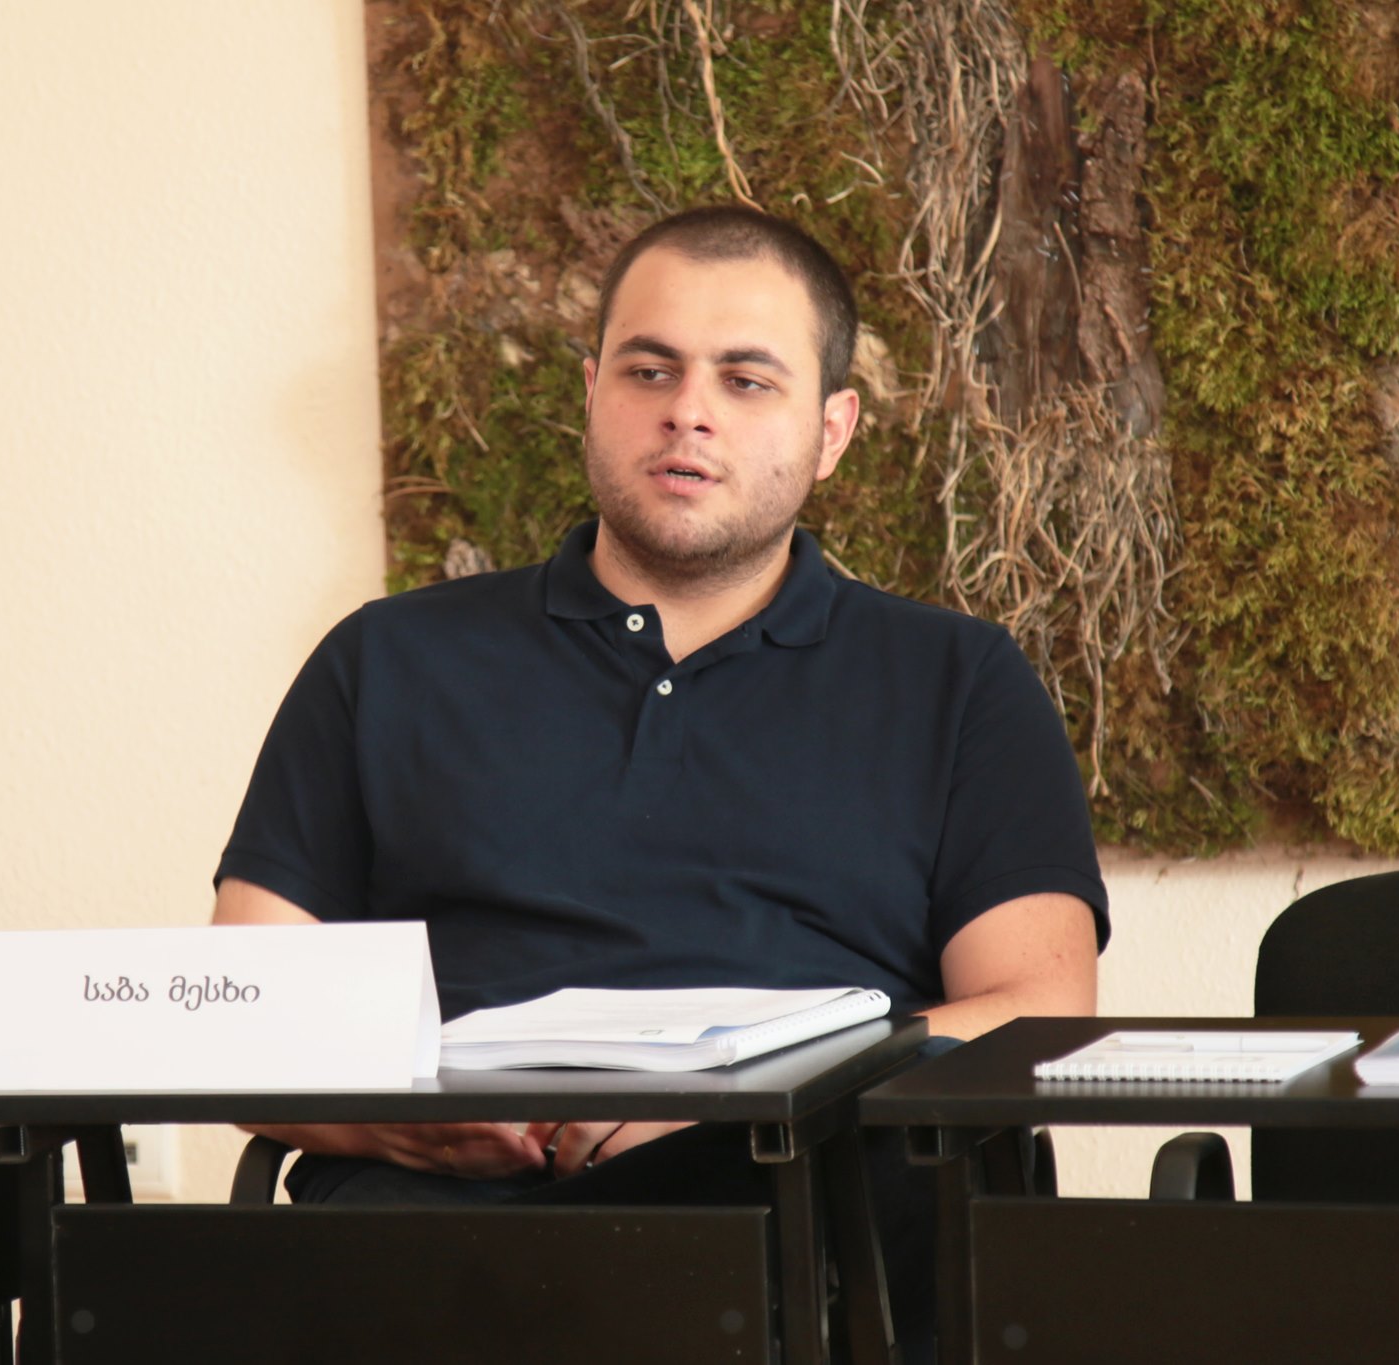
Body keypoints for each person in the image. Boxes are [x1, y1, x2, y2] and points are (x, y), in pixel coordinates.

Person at [212, 204, 1107, 1354]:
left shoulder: (959, 680)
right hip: (449, 1218)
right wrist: (405, 1130)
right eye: (650, 369)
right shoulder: (384, 661)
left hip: (812, 1207)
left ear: (830, 430)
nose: (688, 409)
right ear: (590, 392)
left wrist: (738, 1101)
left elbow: (1038, 1007)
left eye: (746, 380)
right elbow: (245, 1015)